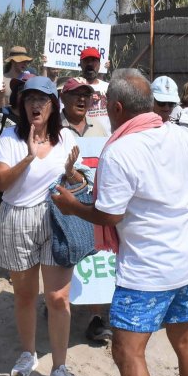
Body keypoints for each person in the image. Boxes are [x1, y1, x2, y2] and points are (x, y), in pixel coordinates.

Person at [51, 68, 188, 376]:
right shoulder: (183, 136)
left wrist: (71, 206)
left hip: (146, 270)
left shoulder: (121, 150)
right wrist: (177, 213)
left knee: (128, 351)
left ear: (116, 108)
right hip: (186, 261)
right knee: (186, 338)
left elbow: (109, 216)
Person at [0, 76, 81, 376]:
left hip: (56, 219)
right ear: (22, 104)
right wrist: (28, 156)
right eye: (29, 99)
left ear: (53, 105)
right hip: (18, 219)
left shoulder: (66, 138)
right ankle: (28, 353)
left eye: (42, 100)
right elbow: (0, 183)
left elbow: (80, 185)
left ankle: (59, 368)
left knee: (58, 298)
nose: (35, 105)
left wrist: (73, 175)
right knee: (26, 296)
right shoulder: (10, 139)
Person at [58, 76, 112, 344]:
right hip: (59, 205)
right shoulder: (53, 128)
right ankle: (55, 301)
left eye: (86, 95)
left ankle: (96, 317)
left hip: (92, 202)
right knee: (61, 253)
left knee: (94, 253)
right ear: (62, 98)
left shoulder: (102, 128)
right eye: (75, 94)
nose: (82, 99)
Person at [0, 72, 30, 206]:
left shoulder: (38, 119)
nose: (24, 95)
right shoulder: (1, 115)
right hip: (4, 174)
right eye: (21, 90)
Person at [0, 46, 33, 118]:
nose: (25, 63)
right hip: (3, 123)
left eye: (26, 61)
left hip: (23, 124)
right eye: (22, 61)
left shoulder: (28, 80)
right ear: (13, 61)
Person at [79, 47, 111, 134]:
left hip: (107, 139)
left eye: (93, 60)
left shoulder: (108, 87)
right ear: (80, 64)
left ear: (99, 64)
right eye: (86, 60)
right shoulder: (74, 88)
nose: (90, 64)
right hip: (84, 139)